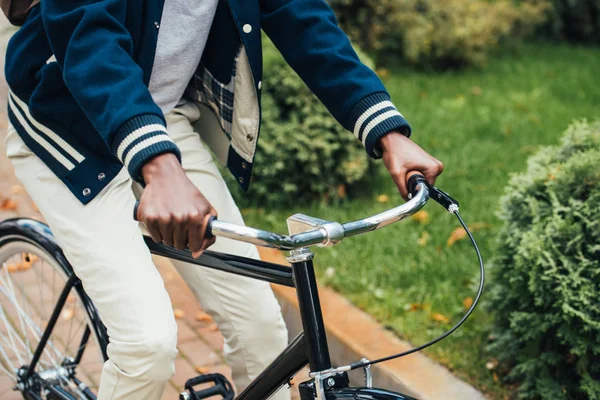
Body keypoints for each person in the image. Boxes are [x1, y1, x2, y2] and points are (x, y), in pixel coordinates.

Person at [4, 0, 444, 399]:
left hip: (158, 114)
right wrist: (159, 166)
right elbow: (88, 35)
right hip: (66, 126)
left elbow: (300, 14)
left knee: (262, 332)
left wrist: (385, 129)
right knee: (147, 345)